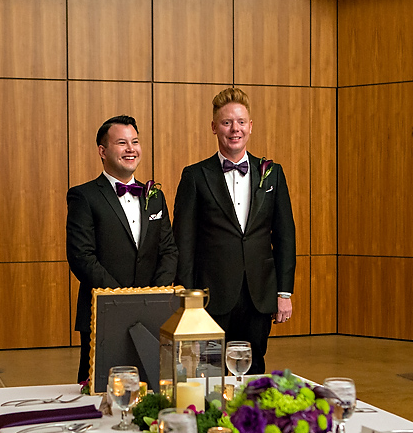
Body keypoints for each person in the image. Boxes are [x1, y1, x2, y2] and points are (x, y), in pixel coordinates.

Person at [172, 88, 296, 375]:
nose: (234, 129)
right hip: (210, 295)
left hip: (259, 293)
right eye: (227, 122)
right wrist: (188, 298)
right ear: (214, 127)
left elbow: (285, 235)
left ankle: (250, 421)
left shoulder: (272, 173)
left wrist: (284, 293)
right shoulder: (195, 176)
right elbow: (184, 242)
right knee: (207, 373)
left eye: (241, 122)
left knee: (254, 371)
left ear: (250, 127)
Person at [66, 115, 178, 382]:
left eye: (135, 142)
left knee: (152, 384)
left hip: (152, 309)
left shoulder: (155, 196)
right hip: (104, 310)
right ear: (102, 151)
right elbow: (82, 256)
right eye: (121, 143)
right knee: (99, 390)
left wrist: (153, 296)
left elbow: (169, 250)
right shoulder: (84, 196)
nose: (131, 149)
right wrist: (121, 299)